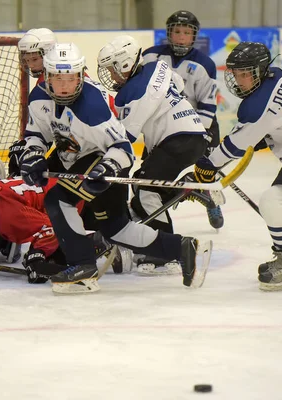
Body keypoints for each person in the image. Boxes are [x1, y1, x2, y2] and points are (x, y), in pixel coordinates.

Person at [19, 42, 211, 293]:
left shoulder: (92, 109)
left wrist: (107, 168)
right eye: (57, 78)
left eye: (70, 78)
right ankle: (185, 249)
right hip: (79, 158)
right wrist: (32, 153)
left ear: (80, 75)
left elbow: (123, 148)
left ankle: (83, 268)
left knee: (58, 200)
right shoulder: (39, 97)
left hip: (106, 159)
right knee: (116, 228)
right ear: (47, 77)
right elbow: (36, 133)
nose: (64, 87)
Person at [194, 42, 282, 292]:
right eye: (236, 74)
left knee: (272, 200)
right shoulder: (276, 75)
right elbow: (281, 116)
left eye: (245, 74)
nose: (238, 81)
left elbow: (237, 143)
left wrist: (209, 164)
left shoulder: (259, 103)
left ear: (260, 71)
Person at [97, 35, 208, 275]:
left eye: (112, 70)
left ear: (125, 65)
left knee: (146, 188)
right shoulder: (156, 66)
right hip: (193, 134)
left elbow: (125, 138)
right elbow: (177, 84)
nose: (112, 76)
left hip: (176, 140)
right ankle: (185, 188)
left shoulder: (133, 93)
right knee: (144, 185)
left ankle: (163, 251)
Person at [141, 10, 224, 229]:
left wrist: (201, 132)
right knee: (150, 173)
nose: (181, 37)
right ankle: (164, 199)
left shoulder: (205, 64)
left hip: (197, 123)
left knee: (207, 168)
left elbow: (207, 103)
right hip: (163, 125)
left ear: (194, 36)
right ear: (169, 33)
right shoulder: (150, 56)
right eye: (177, 31)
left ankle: (211, 197)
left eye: (186, 33)